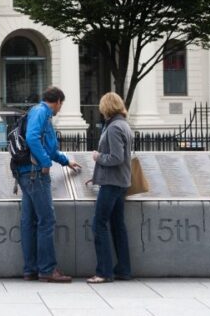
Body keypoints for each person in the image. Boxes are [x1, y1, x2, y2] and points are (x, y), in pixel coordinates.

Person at [17, 86, 82, 283]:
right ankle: (47, 269)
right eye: (61, 105)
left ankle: (31, 269)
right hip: (36, 174)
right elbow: (32, 138)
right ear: (58, 102)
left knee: (29, 222)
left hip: (26, 173)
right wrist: (45, 163)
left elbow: (49, 147)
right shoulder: (42, 112)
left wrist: (65, 161)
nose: (60, 109)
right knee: (46, 221)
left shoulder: (38, 113)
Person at [87, 92, 133, 284]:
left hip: (112, 183)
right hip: (120, 182)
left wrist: (98, 157)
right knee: (117, 226)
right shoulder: (123, 124)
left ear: (106, 107)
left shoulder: (114, 128)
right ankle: (123, 269)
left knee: (99, 224)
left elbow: (116, 158)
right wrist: (96, 175)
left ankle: (104, 271)